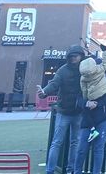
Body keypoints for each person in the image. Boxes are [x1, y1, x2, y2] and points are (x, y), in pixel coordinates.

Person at [38, 44, 86, 174]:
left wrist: (44, 92)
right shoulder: (64, 70)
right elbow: (54, 83)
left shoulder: (83, 69)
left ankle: (67, 169)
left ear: (81, 56)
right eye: (71, 57)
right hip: (65, 111)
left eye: (75, 56)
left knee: (69, 142)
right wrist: (45, 92)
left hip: (76, 111)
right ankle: (51, 170)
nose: (73, 59)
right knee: (59, 142)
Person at [74, 57, 106, 174]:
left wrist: (98, 103)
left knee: (98, 147)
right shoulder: (83, 81)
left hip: (104, 116)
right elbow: (78, 98)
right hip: (88, 118)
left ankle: (96, 172)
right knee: (81, 148)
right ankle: (76, 171)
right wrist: (86, 103)